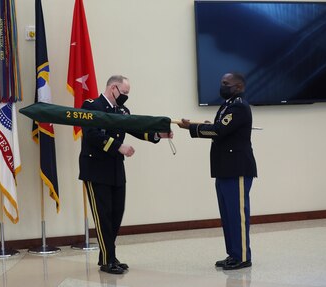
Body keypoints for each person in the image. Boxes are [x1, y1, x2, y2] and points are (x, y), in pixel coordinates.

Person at [79, 75, 172, 274]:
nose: (126, 97)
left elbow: (136, 128)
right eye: (124, 93)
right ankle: (108, 260)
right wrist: (119, 146)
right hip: (96, 170)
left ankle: (109, 256)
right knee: (103, 216)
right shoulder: (91, 106)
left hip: (115, 170)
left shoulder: (122, 111)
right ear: (113, 88)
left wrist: (158, 135)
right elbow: (92, 135)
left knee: (116, 215)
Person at [178, 72, 257, 270]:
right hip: (224, 168)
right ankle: (233, 254)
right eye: (222, 82)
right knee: (227, 214)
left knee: (237, 215)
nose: (222, 86)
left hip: (237, 168)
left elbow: (220, 131)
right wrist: (201, 126)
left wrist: (192, 127)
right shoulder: (227, 104)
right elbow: (220, 128)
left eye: (226, 83)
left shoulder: (238, 105)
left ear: (238, 87)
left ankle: (243, 257)